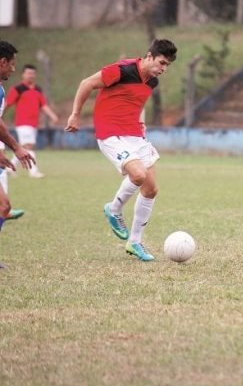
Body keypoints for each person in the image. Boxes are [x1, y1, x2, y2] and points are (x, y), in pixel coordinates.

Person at [65, 39, 177, 262]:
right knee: (138, 174)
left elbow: (133, 103)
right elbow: (86, 83)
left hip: (135, 135)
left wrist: (139, 123)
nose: (163, 69)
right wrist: (76, 114)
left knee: (151, 189)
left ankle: (135, 242)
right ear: (149, 56)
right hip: (110, 134)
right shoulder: (122, 70)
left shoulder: (152, 82)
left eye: (167, 66)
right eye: (161, 62)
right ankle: (114, 209)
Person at [0, 40, 36, 238]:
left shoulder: (0, 90)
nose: (13, 69)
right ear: (3, 62)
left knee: (4, 206)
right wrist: (16, 147)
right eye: (12, 64)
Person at [4, 64, 59, 178]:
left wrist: (53, 116)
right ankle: (33, 171)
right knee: (28, 146)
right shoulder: (18, 88)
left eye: (33, 74)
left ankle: (10, 168)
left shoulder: (38, 89)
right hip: (22, 123)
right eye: (28, 73)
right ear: (23, 74)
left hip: (34, 124)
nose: (31, 76)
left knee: (24, 147)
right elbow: (7, 104)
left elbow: (43, 105)